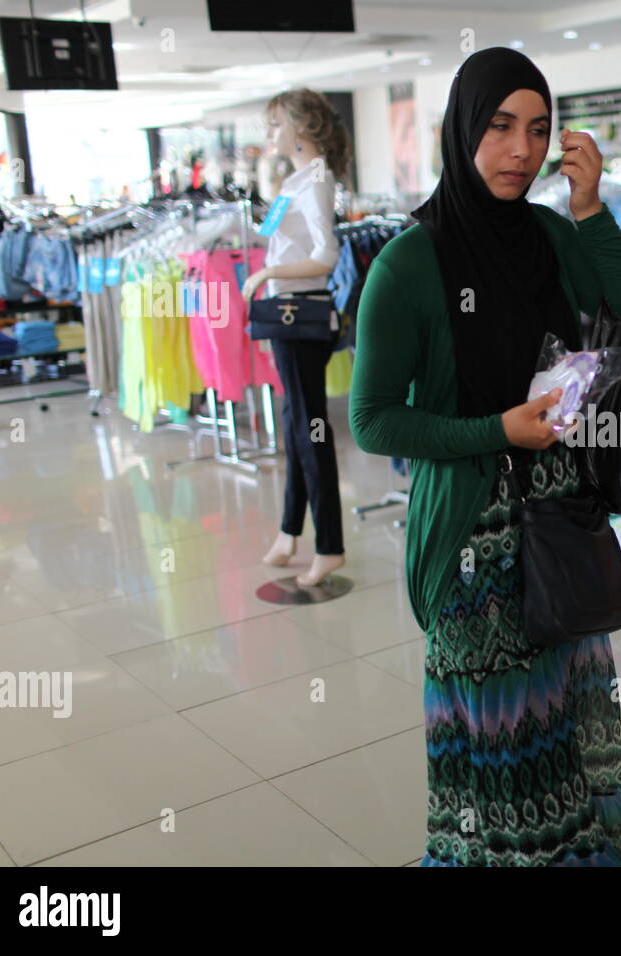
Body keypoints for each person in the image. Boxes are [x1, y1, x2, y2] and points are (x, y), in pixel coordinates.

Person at [349, 47, 621, 867]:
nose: (521, 149)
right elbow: (372, 420)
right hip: (472, 550)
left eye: (540, 130)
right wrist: (495, 430)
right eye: (501, 126)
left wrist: (589, 205)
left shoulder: (550, 232)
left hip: (559, 529)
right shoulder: (409, 263)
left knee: (567, 734)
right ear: (460, 131)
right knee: (500, 752)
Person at [241, 89, 349, 588]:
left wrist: (267, 274)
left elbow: (327, 256)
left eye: (275, 124)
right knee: (294, 424)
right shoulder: (299, 180)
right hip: (288, 316)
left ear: (302, 127)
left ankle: (329, 545)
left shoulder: (318, 181)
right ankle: (290, 532)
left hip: (298, 314)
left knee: (310, 428)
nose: (271, 135)